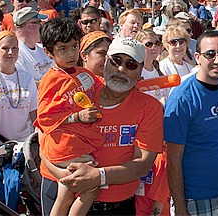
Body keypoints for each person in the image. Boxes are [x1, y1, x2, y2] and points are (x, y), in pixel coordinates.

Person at [50, 37, 163, 216]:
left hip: (119, 208)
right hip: (71, 202)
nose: (121, 69)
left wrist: (98, 176)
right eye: (116, 61)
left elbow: (142, 164)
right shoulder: (79, 92)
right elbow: (44, 136)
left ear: (140, 71)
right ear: (106, 62)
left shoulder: (149, 107)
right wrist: (63, 174)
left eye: (131, 65)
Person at [164, 30, 218, 216]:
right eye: (210, 54)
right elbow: (173, 160)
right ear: (197, 57)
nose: (217, 60)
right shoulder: (182, 99)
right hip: (196, 197)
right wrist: (180, 207)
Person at [36, 18, 104, 216]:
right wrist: (77, 117)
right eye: (62, 49)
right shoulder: (51, 79)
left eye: (74, 46)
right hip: (67, 147)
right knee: (91, 185)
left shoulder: (84, 73)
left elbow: (103, 92)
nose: (71, 54)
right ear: (49, 52)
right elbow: (44, 117)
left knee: (65, 194)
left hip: (76, 145)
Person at [0, 31, 37, 141]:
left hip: (23, 144)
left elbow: (34, 114)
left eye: (14, 48)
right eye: (5, 48)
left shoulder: (27, 78)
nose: (11, 52)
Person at [14, 7, 54, 84]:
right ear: (29, 26)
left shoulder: (43, 49)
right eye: (40, 23)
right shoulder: (16, 54)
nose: (43, 27)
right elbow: (25, 83)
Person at [135, 29, 170, 103]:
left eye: (157, 43)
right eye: (148, 44)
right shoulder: (135, 72)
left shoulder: (158, 69)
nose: (154, 47)